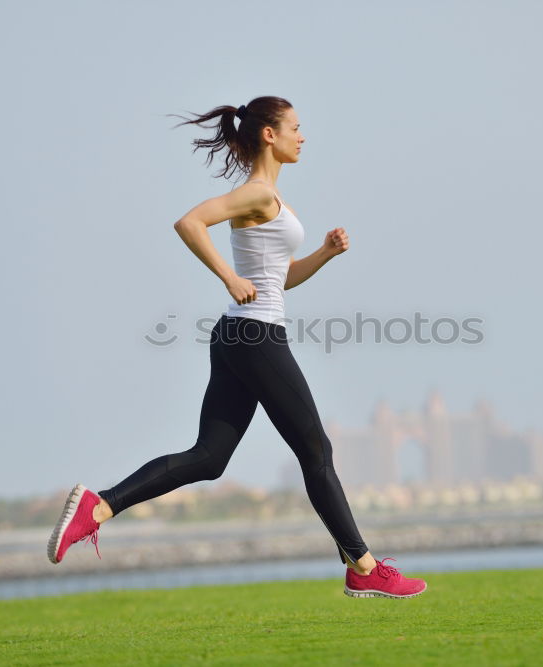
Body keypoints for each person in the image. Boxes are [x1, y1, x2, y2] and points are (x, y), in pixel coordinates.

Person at [47, 96, 427, 599]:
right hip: (255, 335)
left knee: (209, 458)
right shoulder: (256, 194)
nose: (303, 135)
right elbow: (189, 222)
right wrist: (227, 276)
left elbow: (278, 279)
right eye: (295, 126)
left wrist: (325, 255)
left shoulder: (271, 199)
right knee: (317, 451)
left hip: (238, 334)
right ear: (269, 134)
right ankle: (363, 566)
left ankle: (98, 507)